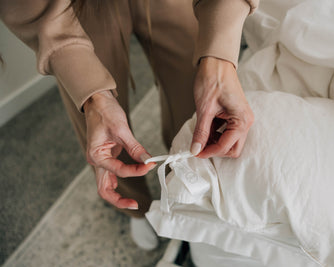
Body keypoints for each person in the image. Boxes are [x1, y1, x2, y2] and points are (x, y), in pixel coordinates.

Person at [0, 0, 257, 250]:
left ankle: (185, 188)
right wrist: (94, 97)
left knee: (195, 98)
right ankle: (137, 206)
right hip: (76, 7)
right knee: (102, 125)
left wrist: (220, 60)